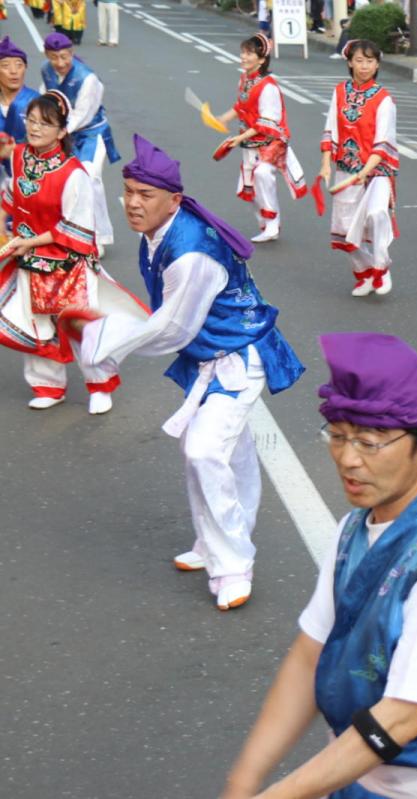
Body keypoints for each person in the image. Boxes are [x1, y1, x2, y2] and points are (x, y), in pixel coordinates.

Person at [220, 332, 417, 799]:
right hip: (360, 773)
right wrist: (244, 778)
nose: (347, 459)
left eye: (370, 442)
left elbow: (401, 718)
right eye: (340, 436)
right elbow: (311, 654)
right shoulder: (357, 525)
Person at [75, 134, 305, 611]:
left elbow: (172, 327)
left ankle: (234, 563)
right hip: (216, 351)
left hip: (240, 355)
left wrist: (102, 342)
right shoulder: (160, 230)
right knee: (224, 450)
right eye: (129, 192)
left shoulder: (191, 251)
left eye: (146, 195)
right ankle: (215, 541)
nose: (133, 204)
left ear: (173, 200)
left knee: (204, 449)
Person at [0, 92, 141, 414]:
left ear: (62, 131)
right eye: (31, 120)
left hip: (67, 265)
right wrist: (5, 231)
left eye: (45, 123)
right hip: (28, 260)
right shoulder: (20, 156)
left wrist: (28, 241)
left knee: (80, 329)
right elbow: (10, 196)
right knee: (36, 326)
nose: (35, 128)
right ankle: (48, 386)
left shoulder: (73, 173)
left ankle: (101, 385)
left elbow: (75, 228)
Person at [320, 39, 400, 296]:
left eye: (370, 61)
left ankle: (381, 266)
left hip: (377, 171)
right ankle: (364, 273)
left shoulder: (384, 99)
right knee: (345, 231)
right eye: (359, 60)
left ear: (377, 64)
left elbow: (383, 141)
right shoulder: (339, 92)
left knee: (376, 214)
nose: (364, 66)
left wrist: (365, 172)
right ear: (350, 62)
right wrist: (325, 165)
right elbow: (331, 128)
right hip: (346, 168)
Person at [217, 33, 306, 245]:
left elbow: (268, 123)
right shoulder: (245, 79)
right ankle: (265, 223)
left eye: (249, 53)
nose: (244, 57)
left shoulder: (268, 87)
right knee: (250, 184)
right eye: (243, 52)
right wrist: (223, 118)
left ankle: (272, 224)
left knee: (262, 174)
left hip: (271, 143)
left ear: (262, 59)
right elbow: (241, 106)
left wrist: (238, 139)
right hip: (250, 142)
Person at [40, 33, 119, 253]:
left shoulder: (88, 78)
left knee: (90, 177)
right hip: (64, 133)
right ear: (47, 55)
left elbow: (83, 114)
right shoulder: (46, 70)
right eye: (54, 57)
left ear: (72, 54)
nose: (60, 63)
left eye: (64, 57)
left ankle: (99, 236)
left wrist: (56, 131)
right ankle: (68, 230)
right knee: (61, 181)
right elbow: (46, 97)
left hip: (91, 134)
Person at [0, 37, 39, 149]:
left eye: (19, 65)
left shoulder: (38, 102)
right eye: (5, 66)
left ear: (25, 68)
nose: (14, 71)